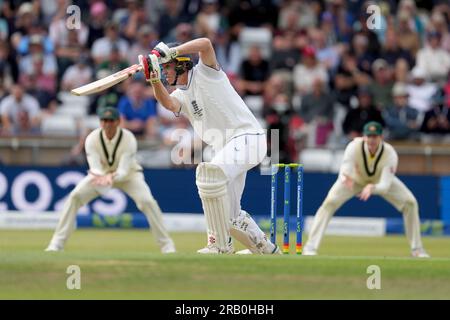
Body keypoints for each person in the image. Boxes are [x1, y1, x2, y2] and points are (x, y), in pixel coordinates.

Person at [138, 38, 280, 255]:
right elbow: (168, 104)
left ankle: (219, 245)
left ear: (180, 64)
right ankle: (267, 251)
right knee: (231, 218)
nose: (165, 73)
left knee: (208, 174)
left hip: (248, 138)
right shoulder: (180, 95)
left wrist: (169, 51)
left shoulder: (206, 72)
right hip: (229, 149)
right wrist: (154, 80)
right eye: (162, 70)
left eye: (167, 68)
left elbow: (205, 43)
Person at [45, 106, 176, 254]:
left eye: (111, 121)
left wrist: (111, 177)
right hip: (100, 177)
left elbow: (123, 170)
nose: (107, 124)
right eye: (104, 120)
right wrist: (102, 176)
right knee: (75, 197)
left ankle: (167, 246)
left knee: (148, 202)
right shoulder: (92, 139)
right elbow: (94, 167)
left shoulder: (128, 138)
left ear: (118, 122)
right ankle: (57, 243)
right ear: (100, 122)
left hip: (129, 176)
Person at [303, 121, 429, 258]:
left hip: (378, 182)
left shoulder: (390, 153)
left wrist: (372, 187)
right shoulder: (353, 146)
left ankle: (417, 249)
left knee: (410, 203)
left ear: (381, 137)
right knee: (329, 203)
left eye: (375, 136)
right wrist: (347, 179)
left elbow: (385, 186)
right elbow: (344, 171)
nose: (371, 140)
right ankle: (310, 247)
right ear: (364, 137)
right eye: (369, 136)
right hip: (354, 181)